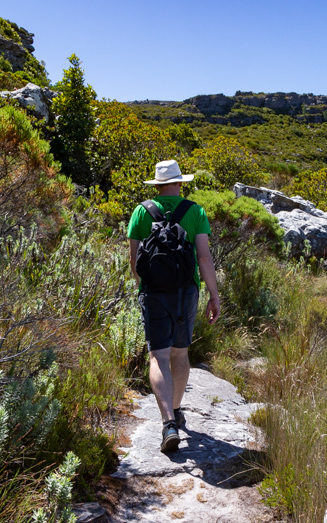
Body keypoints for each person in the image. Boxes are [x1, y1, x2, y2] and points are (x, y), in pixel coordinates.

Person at [127, 159, 221, 453]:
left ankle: (168, 422)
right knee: (180, 354)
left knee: (158, 356)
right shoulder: (195, 211)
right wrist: (214, 295)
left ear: (156, 185)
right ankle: (177, 410)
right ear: (180, 183)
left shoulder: (141, 212)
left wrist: (147, 287)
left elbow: (134, 262)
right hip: (186, 292)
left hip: (154, 293)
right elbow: (204, 258)